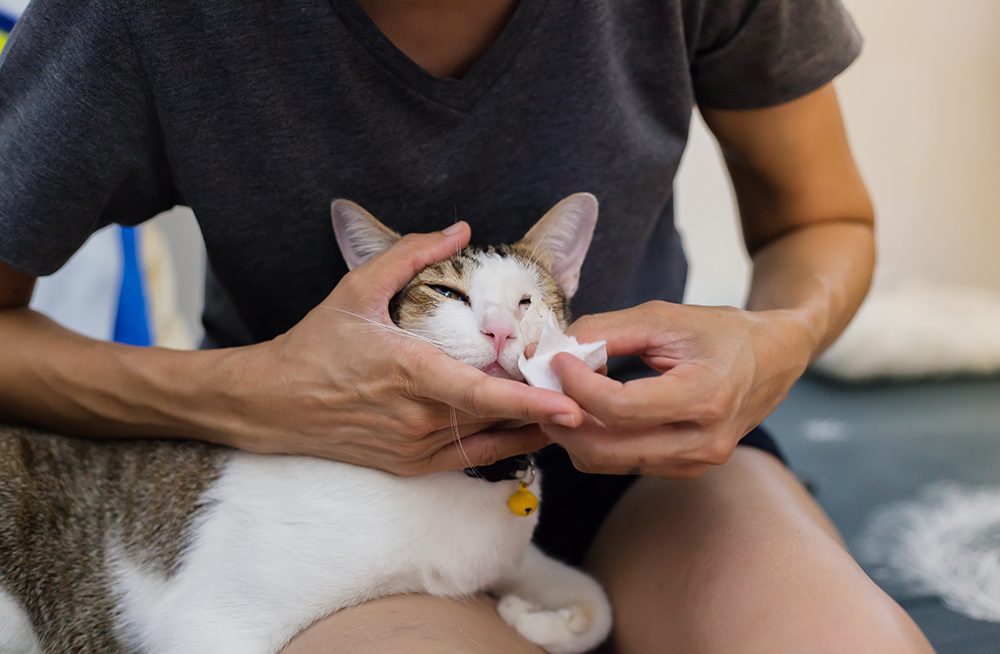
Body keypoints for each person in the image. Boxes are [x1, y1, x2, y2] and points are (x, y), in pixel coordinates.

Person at [0, 0, 935, 652]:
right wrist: (252, 395)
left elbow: (823, 220)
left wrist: (777, 340)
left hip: (650, 454)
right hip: (326, 481)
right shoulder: (134, 19)